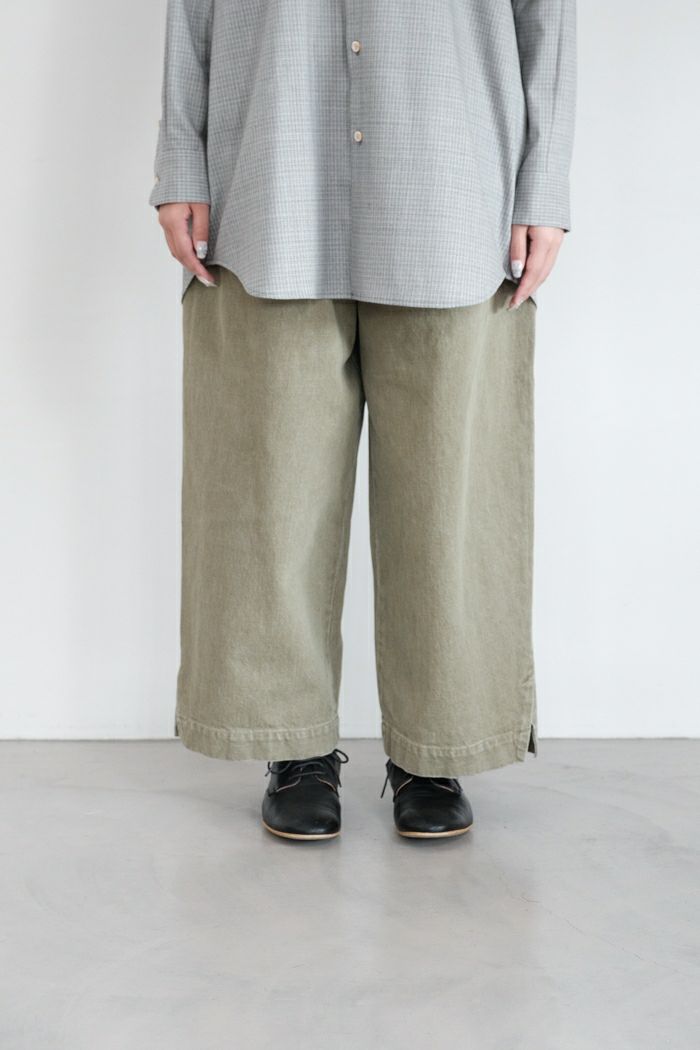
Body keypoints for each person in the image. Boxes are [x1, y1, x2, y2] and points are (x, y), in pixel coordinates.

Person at [149, 1, 577, 841]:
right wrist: (180, 163)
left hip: (453, 187)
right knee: (270, 496)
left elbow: (546, 18)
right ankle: (293, 744)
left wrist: (545, 186)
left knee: (450, 504)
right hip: (271, 177)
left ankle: (436, 747)